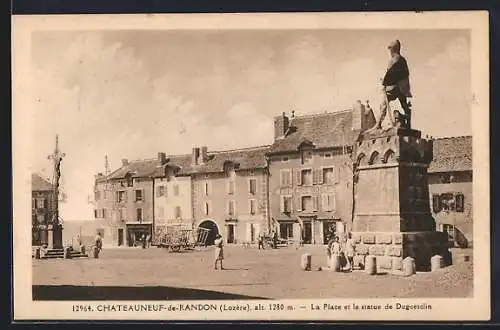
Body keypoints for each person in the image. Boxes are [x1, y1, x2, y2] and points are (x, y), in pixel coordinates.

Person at [373, 39, 413, 130]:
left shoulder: (394, 60)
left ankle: (378, 124)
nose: (389, 51)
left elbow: (390, 73)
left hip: (394, 88)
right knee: (404, 105)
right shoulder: (403, 60)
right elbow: (404, 74)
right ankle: (408, 122)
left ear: (393, 49)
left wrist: (384, 82)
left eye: (390, 49)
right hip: (402, 88)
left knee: (383, 104)